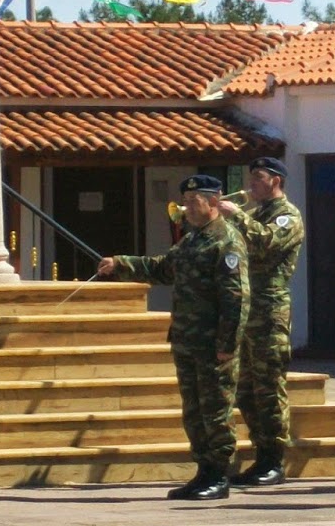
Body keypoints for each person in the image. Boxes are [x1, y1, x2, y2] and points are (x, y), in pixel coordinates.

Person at [98, 174, 247, 501]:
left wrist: (227, 345)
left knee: (216, 410)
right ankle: (203, 470)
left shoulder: (226, 241)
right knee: (194, 410)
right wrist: (120, 264)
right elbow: (163, 268)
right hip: (187, 340)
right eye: (186, 203)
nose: (188, 209)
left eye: (194, 203)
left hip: (212, 345)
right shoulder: (192, 240)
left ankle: (219, 474)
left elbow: (235, 299)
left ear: (212, 202)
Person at [218, 156, 305, 487]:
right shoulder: (254, 213)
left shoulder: (288, 216)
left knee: (268, 385)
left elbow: (266, 243)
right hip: (246, 308)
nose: (251, 183)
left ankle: (274, 459)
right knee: (246, 388)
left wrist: (236, 216)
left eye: (258, 178)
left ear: (276, 182)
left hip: (270, 309)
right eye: (251, 177)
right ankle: (259, 450)